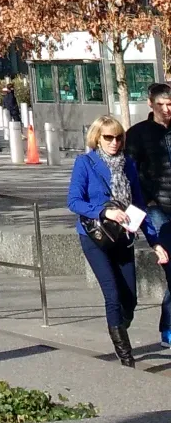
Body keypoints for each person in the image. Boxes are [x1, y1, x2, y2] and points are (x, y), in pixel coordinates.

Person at [68, 115, 169, 365]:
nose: (114, 142)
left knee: (130, 299)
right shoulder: (85, 163)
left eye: (119, 137)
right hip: (95, 236)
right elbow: (74, 201)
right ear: (97, 138)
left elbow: (139, 206)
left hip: (123, 236)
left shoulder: (128, 165)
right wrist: (104, 211)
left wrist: (155, 243)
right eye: (108, 137)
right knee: (112, 295)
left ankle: (117, 326)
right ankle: (125, 355)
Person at [125, 83, 171, 348]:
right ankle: (168, 328)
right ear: (150, 104)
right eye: (161, 105)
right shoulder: (138, 134)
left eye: (170, 105)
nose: (166, 110)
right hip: (156, 207)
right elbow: (130, 172)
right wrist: (144, 201)